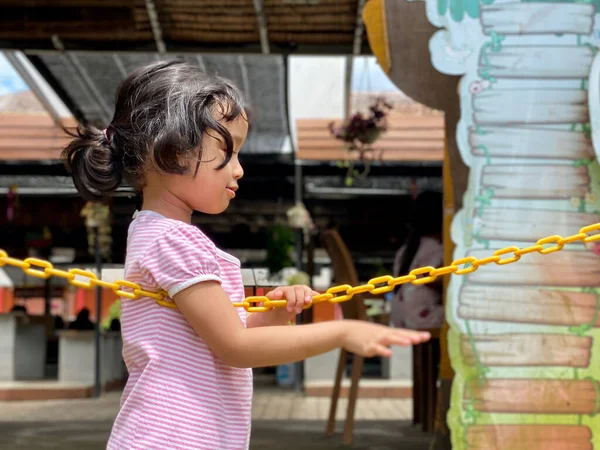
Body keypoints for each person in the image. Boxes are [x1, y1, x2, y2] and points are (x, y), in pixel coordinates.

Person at [62, 60, 430, 450]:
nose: (238, 170)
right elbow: (234, 348)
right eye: (228, 150)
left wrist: (274, 312)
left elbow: (223, 341)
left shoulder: (158, 233)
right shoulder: (173, 241)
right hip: (171, 439)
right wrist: (343, 331)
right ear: (168, 150)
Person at [391, 191, 444, 330]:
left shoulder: (406, 250)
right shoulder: (435, 249)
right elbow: (437, 278)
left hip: (401, 317)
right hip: (421, 318)